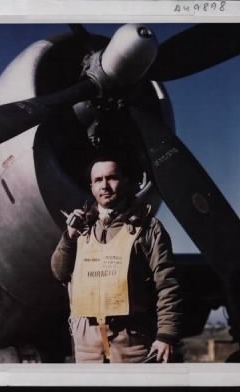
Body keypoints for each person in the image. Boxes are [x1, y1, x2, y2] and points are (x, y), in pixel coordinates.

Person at [51, 155, 182, 363]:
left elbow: (167, 284)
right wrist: (68, 238)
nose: (105, 185)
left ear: (125, 181)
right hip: (87, 346)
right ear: (91, 186)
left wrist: (166, 335)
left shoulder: (148, 227)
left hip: (132, 342)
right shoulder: (80, 227)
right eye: (98, 180)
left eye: (112, 178)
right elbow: (59, 272)